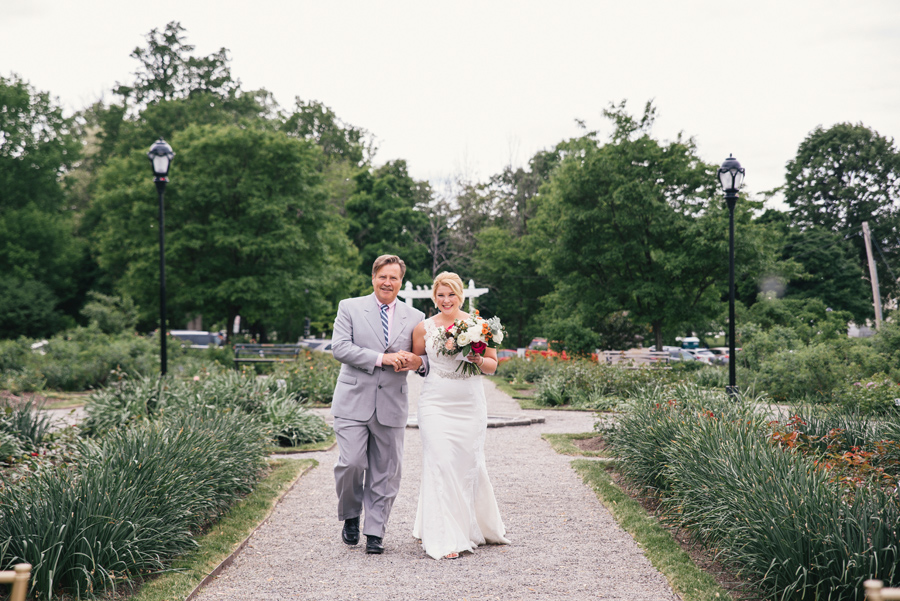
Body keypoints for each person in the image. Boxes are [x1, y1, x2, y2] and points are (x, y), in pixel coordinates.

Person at [330, 255, 427, 555]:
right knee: (351, 463)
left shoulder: (416, 316)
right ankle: (350, 514)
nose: (388, 282)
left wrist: (416, 362)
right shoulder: (350, 307)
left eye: (394, 278)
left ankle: (375, 532)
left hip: (392, 403)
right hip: (352, 401)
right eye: (383, 276)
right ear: (373, 277)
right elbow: (340, 347)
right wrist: (381, 358)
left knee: (386, 470)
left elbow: (425, 359)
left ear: (401, 281)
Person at [410, 271, 510, 560]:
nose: (445, 300)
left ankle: (470, 525)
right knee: (440, 461)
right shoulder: (423, 329)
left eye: (451, 294)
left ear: (460, 295)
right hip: (435, 402)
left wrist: (479, 359)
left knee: (467, 464)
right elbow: (420, 363)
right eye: (440, 295)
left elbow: (493, 366)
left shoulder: (478, 325)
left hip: (469, 403)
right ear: (434, 297)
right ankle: (444, 537)